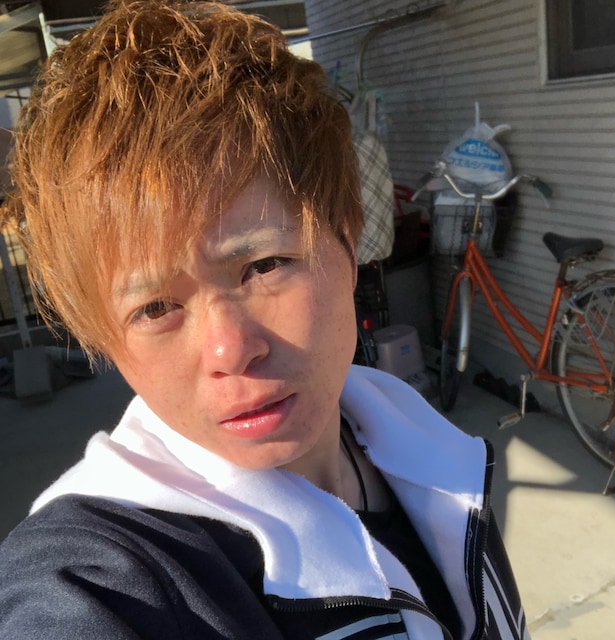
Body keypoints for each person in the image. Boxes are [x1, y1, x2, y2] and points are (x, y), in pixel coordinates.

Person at [0, 2, 529, 638]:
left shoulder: (419, 443)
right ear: (103, 337)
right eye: (155, 308)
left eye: (263, 266)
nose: (230, 350)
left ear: (348, 237)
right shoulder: (105, 572)